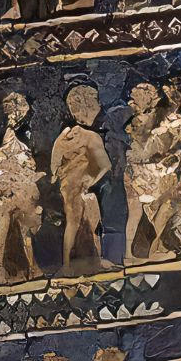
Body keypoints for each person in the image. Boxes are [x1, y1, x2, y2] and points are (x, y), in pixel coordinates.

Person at [123, 81, 181, 264]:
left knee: (161, 209)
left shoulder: (161, 120)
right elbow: (145, 151)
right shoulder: (140, 122)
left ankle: (154, 248)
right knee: (143, 211)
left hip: (153, 172)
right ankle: (143, 251)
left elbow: (176, 146)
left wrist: (172, 155)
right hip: (143, 173)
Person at [52, 84, 112, 275]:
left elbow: (54, 169)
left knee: (77, 223)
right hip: (81, 189)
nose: (98, 106)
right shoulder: (90, 137)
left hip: (70, 187)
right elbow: (106, 165)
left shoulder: (62, 139)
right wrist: (91, 181)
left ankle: (73, 263)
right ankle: (78, 263)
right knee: (86, 224)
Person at [0, 92, 44, 285]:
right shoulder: (5, 135)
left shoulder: (25, 134)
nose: (12, 113)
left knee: (25, 231)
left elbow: (29, 162)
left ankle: (32, 268)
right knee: (0, 233)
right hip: (2, 191)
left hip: (21, 189)